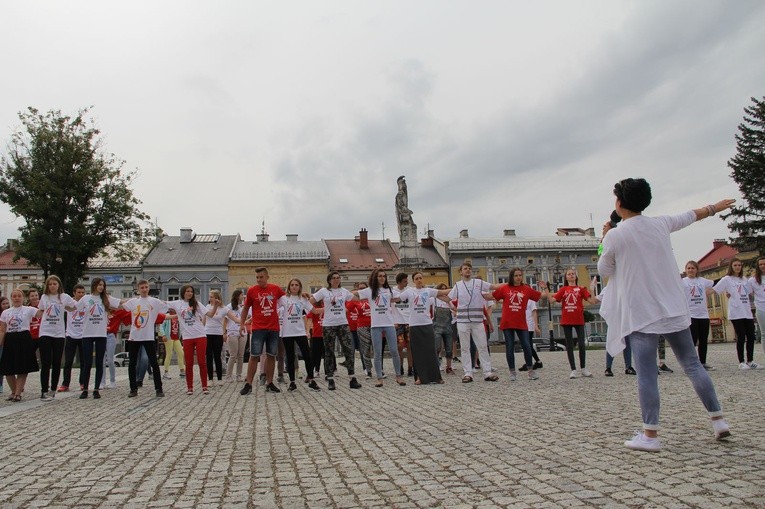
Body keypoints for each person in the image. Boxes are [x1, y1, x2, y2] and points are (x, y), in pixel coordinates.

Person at [598, 177, 732, 451]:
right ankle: (718, 420)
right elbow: (691, 215)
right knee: (692, 365)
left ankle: (650, 435)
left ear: (620, 203)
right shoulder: (660, 223)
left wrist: (604, 238)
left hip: (642, 312)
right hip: (673, 306)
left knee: (647, 373)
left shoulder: (616, 234)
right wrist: (714, 207)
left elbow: (604, 271)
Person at [448, 261, 502, 383]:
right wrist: (455, 310)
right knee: (465, 347)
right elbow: (449, 298)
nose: (468, 270)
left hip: (477, 320)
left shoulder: (478, 283)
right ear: (461, 272)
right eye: (465, 268)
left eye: (469, 268)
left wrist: (508, 284)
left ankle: (487, 372)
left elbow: (493, 287)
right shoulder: (458, 285)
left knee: (482, 345)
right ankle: (468, 373)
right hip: (462, 321)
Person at [491, 268, 547, 381]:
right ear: (512, 277)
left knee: (527, 346)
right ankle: (512, 372)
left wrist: (545, 288)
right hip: (507, 322)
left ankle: (530, 371)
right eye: (516, 275)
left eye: (520, 275)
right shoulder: (505, 288)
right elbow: (493, 296)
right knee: (510, 347)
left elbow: (541, 295)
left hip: (521, 322)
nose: (518, 277)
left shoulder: (526, 289)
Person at [310, 271, 362, 391]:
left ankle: (352, 377)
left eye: (338, 278)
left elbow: (356, 299)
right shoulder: (324, 291)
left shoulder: (344, 291)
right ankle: (330, 379)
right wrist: (316, 310)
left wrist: (367, 293)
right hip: (328, 325)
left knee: (349, 350)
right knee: (329, 352)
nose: (336, 280)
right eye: (333, 278)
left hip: (343, 324)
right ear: (329, 280)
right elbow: (311, 300)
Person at [544, 267, 598, 379]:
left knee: (582, 345)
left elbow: (592, 301)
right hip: (567, 319)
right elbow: (551, 301)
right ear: (566, 277)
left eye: (573, 274)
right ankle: (573, 369)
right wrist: (545, 289)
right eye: (569, 274)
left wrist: (592, 289)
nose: (571, 275)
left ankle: (583, 368)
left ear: (576, 276)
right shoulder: (563, 289)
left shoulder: (581, 289)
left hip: (578, 319)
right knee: (569, 346)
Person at [239, 267, 287, 395]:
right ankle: (248, 384)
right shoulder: (252, 291)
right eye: (257, 277)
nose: (259, 279)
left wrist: (301, 297)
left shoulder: (275, 289)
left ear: (267, 277)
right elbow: (245, 308)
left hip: (273, 328)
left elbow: (287, 302)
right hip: (258, 328)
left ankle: (270, 382)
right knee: (254, 356)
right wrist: (242, 324)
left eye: (261, 277)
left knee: (271, 355)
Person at [397, 272, 451, 385]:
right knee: (417, 352)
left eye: (421, 278)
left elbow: (443, 292)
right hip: (414, 325)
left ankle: (436, 377)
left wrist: (458, 288)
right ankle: (420, 377)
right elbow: (396, 299)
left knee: (431, 351)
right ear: (413, 280)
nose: (419, 280)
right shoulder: (409, 291)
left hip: (427, 324)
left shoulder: (428, 291)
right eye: (417, 278)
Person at [356, 269, 404, 388]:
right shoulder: (369, 290)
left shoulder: (390, 290)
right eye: (379, 276)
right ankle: (379, 378)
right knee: (377, 353)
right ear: (375, 278)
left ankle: (398, 376)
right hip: (375, 325)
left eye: (384, 276)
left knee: (394, 350)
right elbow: (355, 294)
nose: (382, 278)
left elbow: (400, 297)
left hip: (389, 324)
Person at [76, 278, 122, 399]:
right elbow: (74, 308)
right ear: (94, 285)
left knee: (100, 362)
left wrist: (137, 301)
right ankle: (85, 389)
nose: (101, 287)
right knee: (87, 363)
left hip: (101, 334)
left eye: (103, 285)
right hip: (87, 334)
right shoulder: (86, 299)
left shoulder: (106, 299)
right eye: (99, 284)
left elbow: (121, 303)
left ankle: (96, 389)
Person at [121, 280, 169, 397]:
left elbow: (167, 306)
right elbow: (120, 305)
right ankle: (133, 388)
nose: (144, 289)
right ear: (138, 289)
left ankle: (159, 388)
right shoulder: (133, 302)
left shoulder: (154, 301)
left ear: (149, 288)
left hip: (148, 337)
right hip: (134, 337)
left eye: (146, 287)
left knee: (154, 362)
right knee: (132, 363)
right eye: (142, 287)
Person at [36, 275, 78, 400]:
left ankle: (53, 389)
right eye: (50, 284)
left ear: (59, 285)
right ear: (47, 286)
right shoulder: (44, 297)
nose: (52, 286)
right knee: (45, 362)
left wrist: (69, 308)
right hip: (45, 332)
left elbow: (75, 306)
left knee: (56, 362)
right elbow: (40, 311)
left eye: (55, 284)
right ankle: (44, 390)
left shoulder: (64, 297)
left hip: (59, 333)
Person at [714, 258, 759, 369]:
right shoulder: (727, 279)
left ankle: (750, 360)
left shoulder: (744, 279)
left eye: (739, 265)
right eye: (735, 265)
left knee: (751, 336)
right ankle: (741, 361)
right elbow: (715, 289)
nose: (737, 267)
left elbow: (750, 292)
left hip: (747, 312)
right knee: (741, 336)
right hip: (736, 312)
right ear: (731, 266)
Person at [166, 285, 210, 395]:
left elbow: (210, 314)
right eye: (187, 291)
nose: (190, 293)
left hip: (200, 335)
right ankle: (190, 387)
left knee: (202, 362)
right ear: (183, 293)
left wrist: (216, 306)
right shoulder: (177, 304)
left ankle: (205, 386)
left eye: (191, 291)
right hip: (187, 337)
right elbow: (163, 303)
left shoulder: (197, 304)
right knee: (189, 363)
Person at [280, 278, 320, 392]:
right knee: (290, 358)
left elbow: (315, 311)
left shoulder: (303, 299)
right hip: (287, 332)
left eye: (296, 285)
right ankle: (292, 382)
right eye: (292, 285)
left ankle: (311, 380)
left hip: (300, 332)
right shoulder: (283, 299)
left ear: (299, 287)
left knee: (307, 356)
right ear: (289, 287)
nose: (294, 286)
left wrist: (328, 308)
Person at [0, 289, 40, 402]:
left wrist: (40, 301)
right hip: (10, 339)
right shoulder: (5, 313)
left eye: (19, 296)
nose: (17, 298)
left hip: (24, 338)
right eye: (14, 296)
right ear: (11, 298)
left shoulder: (29, 309)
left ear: (23, 298)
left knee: (23, 368)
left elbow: (41, 313)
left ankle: (18, 393)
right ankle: (13, 391)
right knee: (8, 369)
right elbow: (2, 330)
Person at [682, 260, 716, 370]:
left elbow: (715, 284)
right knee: (692, 340)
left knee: (703, 340)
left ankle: (702, 362)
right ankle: (691, 363)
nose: (691, 270)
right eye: (689, 268)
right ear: (686, 270)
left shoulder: (702, 281)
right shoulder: (682, 282)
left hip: (703, 315)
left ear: (697, 270)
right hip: (691, 315)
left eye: (693, 268)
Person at [204, 289, 240, 386]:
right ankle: (210, 379)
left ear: (217, 298)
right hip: (208, 333)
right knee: (209, 356)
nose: (210, 298)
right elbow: (204, 320)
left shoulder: (224, 309)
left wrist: (244, 321)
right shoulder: (207, 307)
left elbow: (235, 318)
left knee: (217, 356)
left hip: (218, 333)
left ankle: (219, 378)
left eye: (211, 297)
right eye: (210, 297)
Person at [59, 284, 86, 392]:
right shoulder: (69, 303)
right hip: (71, 335)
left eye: (83, 292)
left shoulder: (86, 303)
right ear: (74, 293)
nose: (81, 294)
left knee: (84, 362)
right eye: (79, 292)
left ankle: (83, 382)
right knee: (68, 361)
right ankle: (65, 384)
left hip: (84, 335)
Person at [391, 272, 413, 377]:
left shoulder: (409, 290)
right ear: (399, 282)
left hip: (408, 321)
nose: (407, 282)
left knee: (410, 345)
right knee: (399, 346)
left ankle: (410, 368)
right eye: (405, 281)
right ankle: (400, 367)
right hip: (398, 322)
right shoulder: (392, 291)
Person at [224, 290, 247, 382]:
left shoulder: (241, 307)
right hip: (232, 332)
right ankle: (228, 375)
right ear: (237, 296)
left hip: (242, 332)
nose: (243, 296)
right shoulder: (228, 307)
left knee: (241, 355)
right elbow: (225, 321)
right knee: (233, 355)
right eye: (242, 295)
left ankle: (239, 375)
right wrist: (224, 332)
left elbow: (244, 318)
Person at [433, 283, 455, 374]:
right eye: (442, 289)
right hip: (437, 327)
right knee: (437, 347)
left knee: (449, 348)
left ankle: (449, 367)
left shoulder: (449, 301)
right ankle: (437, 366)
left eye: (445, 289)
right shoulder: (434, 300)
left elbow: (455, 309)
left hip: (448, 327)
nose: (444, 291)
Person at [161, 314, 185, 380]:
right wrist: (163, 335)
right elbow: (161, 326)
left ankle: (182, 371)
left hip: (176, 338)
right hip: (168, 337)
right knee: (169, 354)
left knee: (181, 353)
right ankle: (166, 372)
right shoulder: (167, 316)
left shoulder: (178, 316)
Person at [749, 256, 765, 356]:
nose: (763, 266)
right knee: (764, 334)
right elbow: (747, 292)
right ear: (758, 266)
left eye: (764, 264)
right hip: (761, 309)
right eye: (760, 264)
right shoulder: (753, 280)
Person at [0, 296, 9, 395]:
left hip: (7, 341)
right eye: (3, 304)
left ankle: (1, 384)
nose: (6, 306)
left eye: (7, 303)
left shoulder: (10, 313)